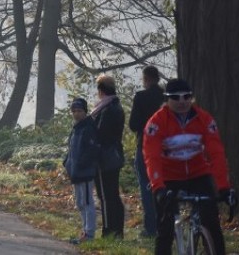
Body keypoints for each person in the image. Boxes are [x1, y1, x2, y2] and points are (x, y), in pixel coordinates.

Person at [144, 79, 235, 255]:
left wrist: (224, 187)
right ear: (167, 99)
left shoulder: (204, 119)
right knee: (165, 229)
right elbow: (151, 156)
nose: (182, 101)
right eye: (176, 98)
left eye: (187, 96)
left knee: (212, 224)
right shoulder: (157, 122)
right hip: (169, 177)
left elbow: (216, 153)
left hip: (198, 174)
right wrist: (158, 187)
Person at [128, 65, 165, 238]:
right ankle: (165, 223)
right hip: (166, 147)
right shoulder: (165, 97)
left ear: (146, 79)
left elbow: (133, 124)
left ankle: (151, 227)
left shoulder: (141, 97)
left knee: (146, 184)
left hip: (145, 145)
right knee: (164, 184)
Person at [90, 74, 125, 239]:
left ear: (100, 90)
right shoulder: (116, 106)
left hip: (105, 157)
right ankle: (118, 230)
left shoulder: (106, 109)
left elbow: (100, 133)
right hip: (115, 154)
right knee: (113, 194)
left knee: (105, 196)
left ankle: (108, 230)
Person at [63, 97, 100, 244]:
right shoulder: (76, 128)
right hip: (75, 171)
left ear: (85, 111)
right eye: (74, 111)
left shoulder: (89, 128)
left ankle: (89, 234)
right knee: (79, 203)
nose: (76, 114)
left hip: (85, 172)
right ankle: (84, 231)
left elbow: (92, 150)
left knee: (87, 202)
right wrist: (67, 163)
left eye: (79, 111)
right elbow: (72, 149)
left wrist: (82, 164)